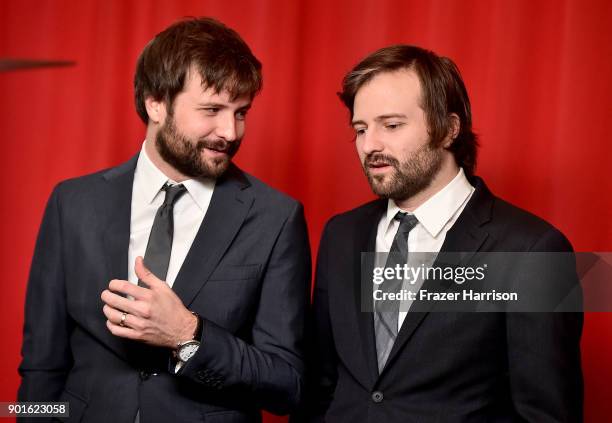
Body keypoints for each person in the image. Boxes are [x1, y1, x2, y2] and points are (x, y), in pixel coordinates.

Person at [18, 17, 310, 423]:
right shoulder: (73, 203)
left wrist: (188, 335)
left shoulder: (277, 217)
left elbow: (288, 383)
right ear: (156, 103)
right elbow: (40, 366)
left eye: (241, 112)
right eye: (211, 109)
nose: (229, 131)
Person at [299, 45, 582, 422]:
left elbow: (546, 414)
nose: (370, 145)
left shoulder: (534, 251)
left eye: (392, 125)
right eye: (361, 129)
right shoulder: (341, 235)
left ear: (449, 129)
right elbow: (321, 386)